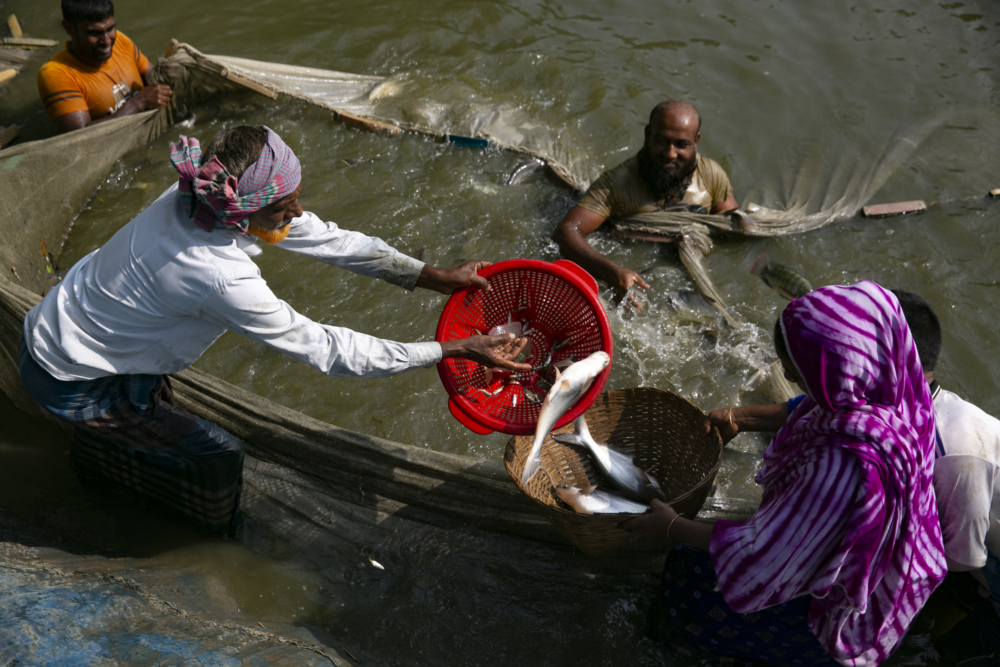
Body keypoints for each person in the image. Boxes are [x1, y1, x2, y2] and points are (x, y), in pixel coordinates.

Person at [19, 124, 528, 535]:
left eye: (296, 198)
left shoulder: (200, 197)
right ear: (246, 212)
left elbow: (327, 238)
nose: (299, 213)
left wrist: (435, 277)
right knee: (218, 455)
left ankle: (116, 453)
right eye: (285, 208)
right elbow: (329, 350)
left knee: (159, 412)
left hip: (77, 324)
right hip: (71, 376)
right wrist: (452, 348)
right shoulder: (221, 276)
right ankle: (209, 537)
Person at [624, 282, 947, 666]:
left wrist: (671, 524)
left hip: (834, 609)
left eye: (797, 373)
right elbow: (810, 406)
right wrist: (738, 417)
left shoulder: (840, 467)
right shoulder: (903, 395)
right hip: (898, 568)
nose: (797, 383)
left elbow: (760, 557)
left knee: (686, 571)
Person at [551, 100, 739, 301]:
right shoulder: (616, 185)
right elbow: (566, 232)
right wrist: (612, 273)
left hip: (692, 283)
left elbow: (734, 230)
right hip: (642, 285)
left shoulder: (711, 176)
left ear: (696, 141)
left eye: (681, 144)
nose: (670, 153)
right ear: (647, 134)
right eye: (661, 141)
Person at [37, 0, 173, 133]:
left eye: (110, 28)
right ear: (69, 28)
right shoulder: (55, 73)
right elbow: (80, 138)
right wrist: (138, 103)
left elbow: (153, 77)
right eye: (94, 33)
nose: (107, 41)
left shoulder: (120, 41)